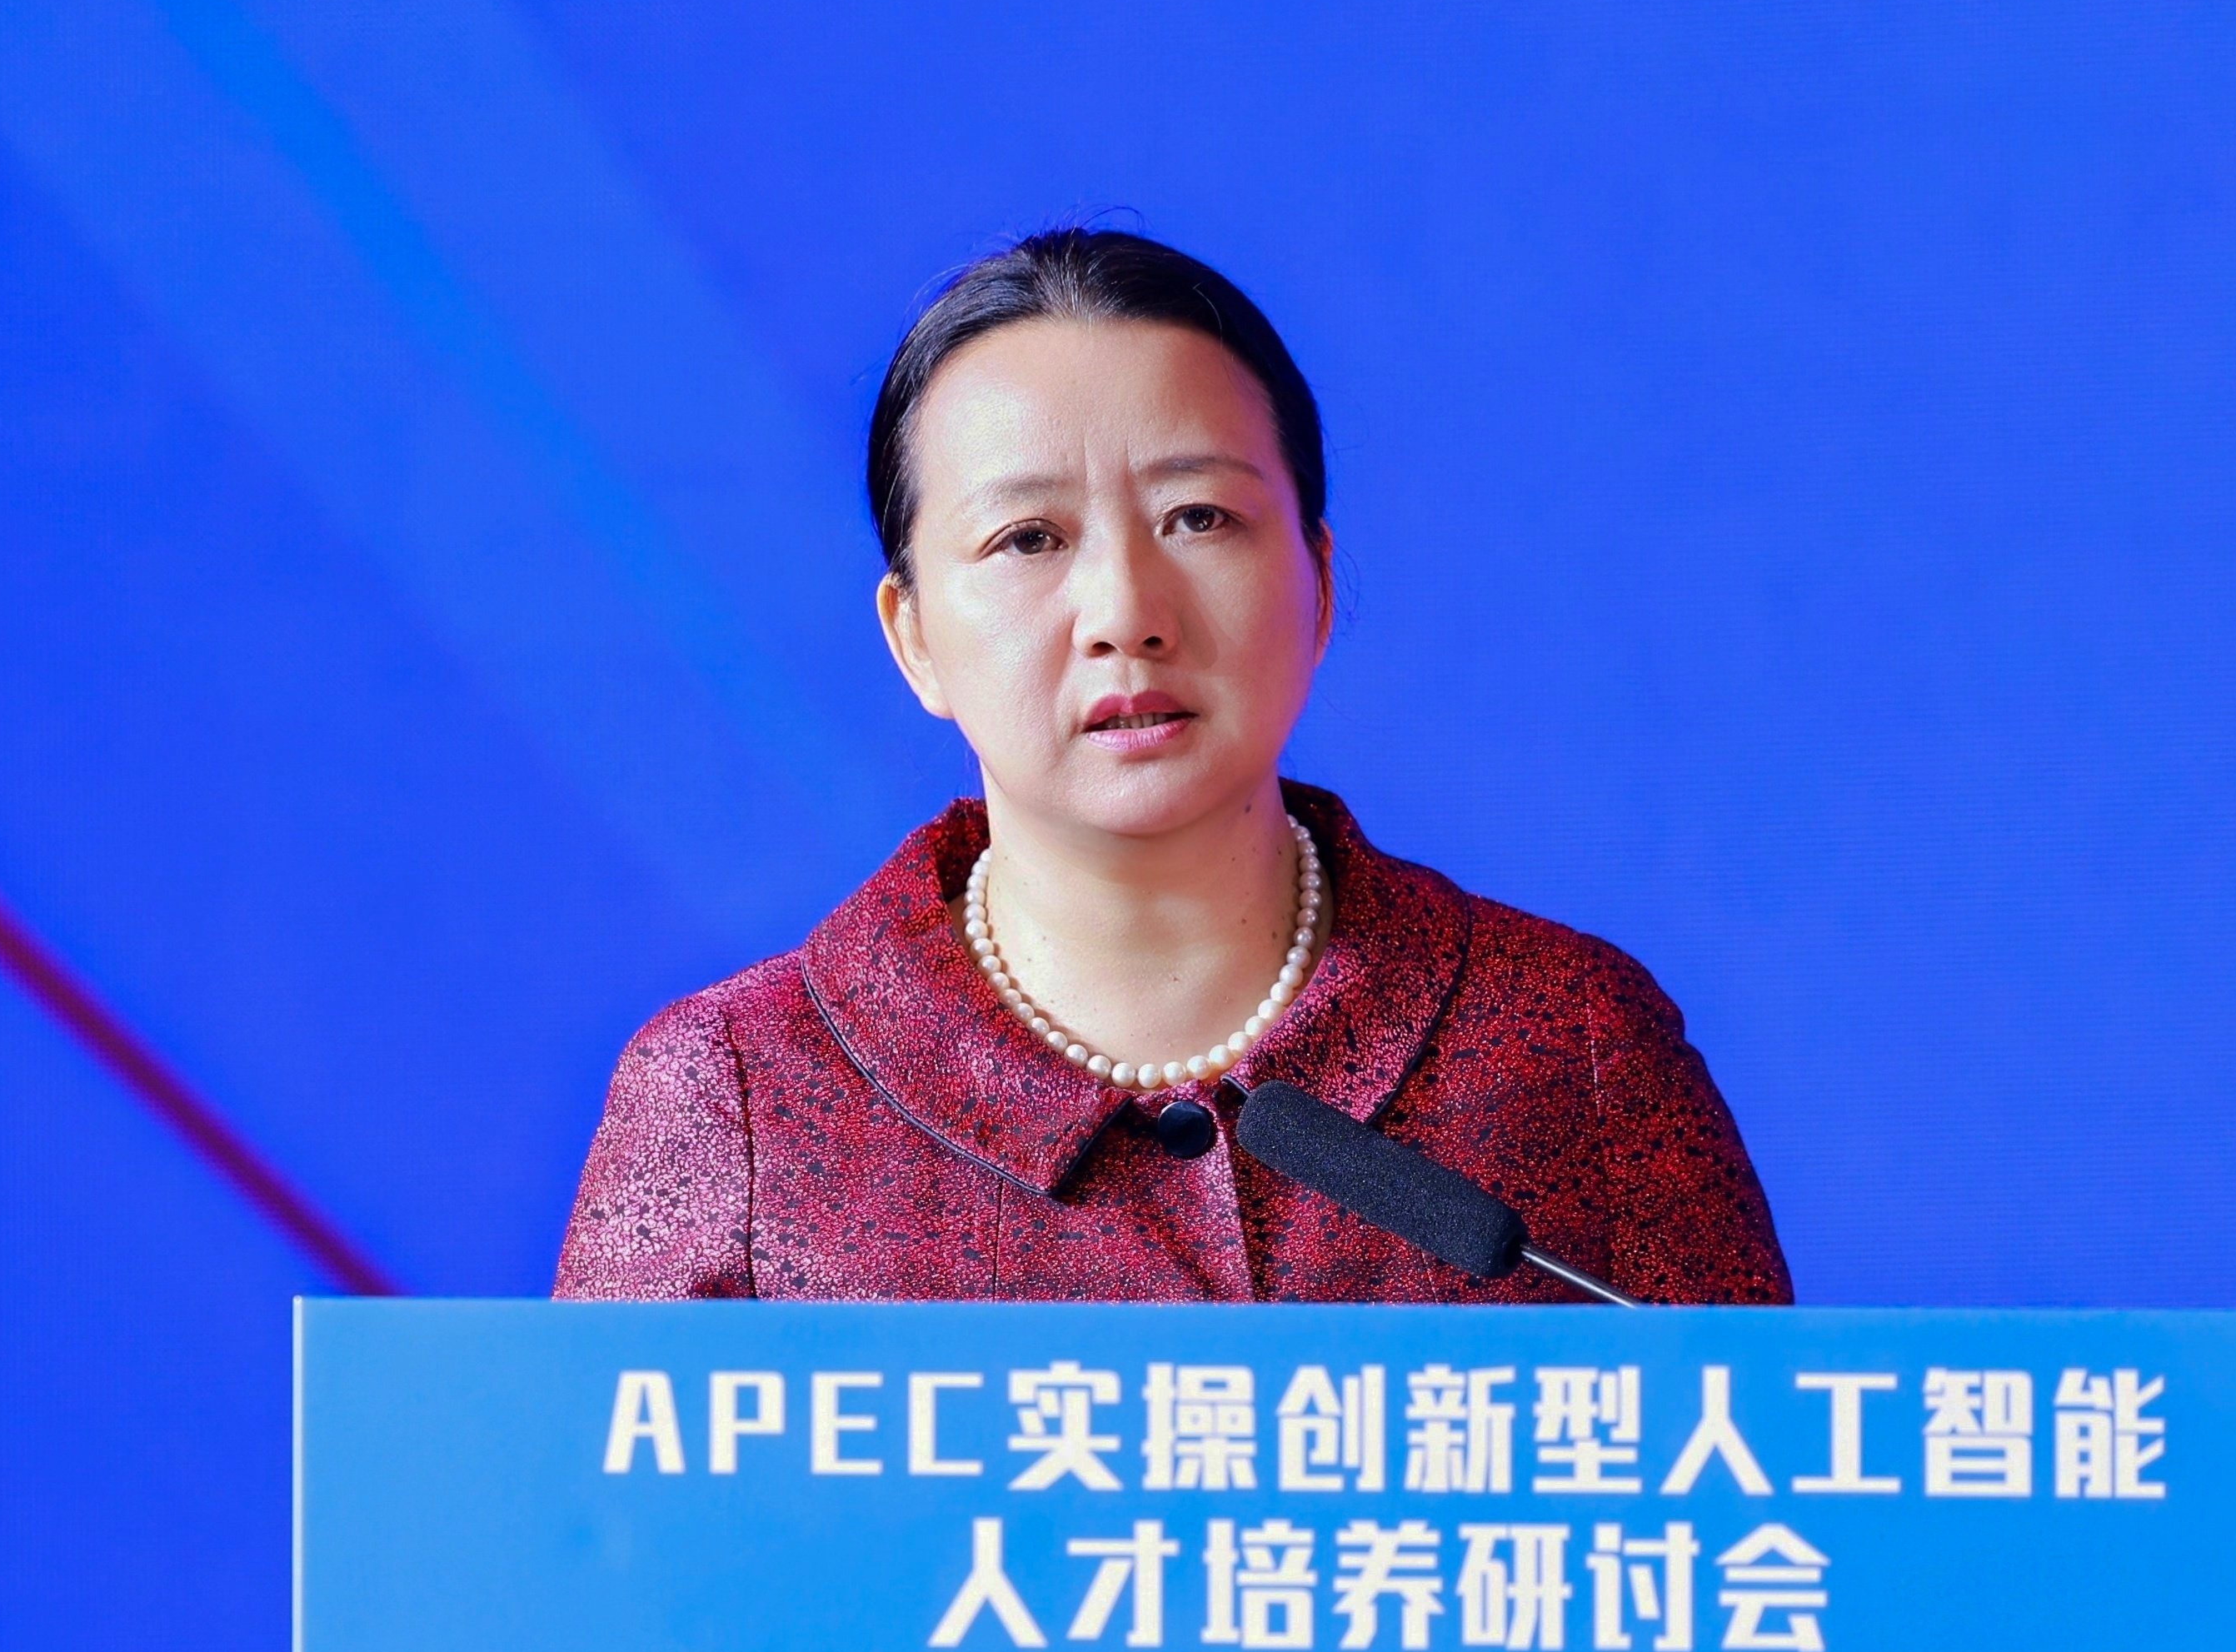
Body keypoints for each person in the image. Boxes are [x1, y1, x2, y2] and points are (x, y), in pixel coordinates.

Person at [554, 229, 1788, 1305]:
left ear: (1318, 581)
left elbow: (1760, 1484)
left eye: (1198, 517)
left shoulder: (1573, 1047)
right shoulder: (734, 1097)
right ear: (913, 635)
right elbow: (591, 1506)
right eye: (1027, 538)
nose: (1124, 613)